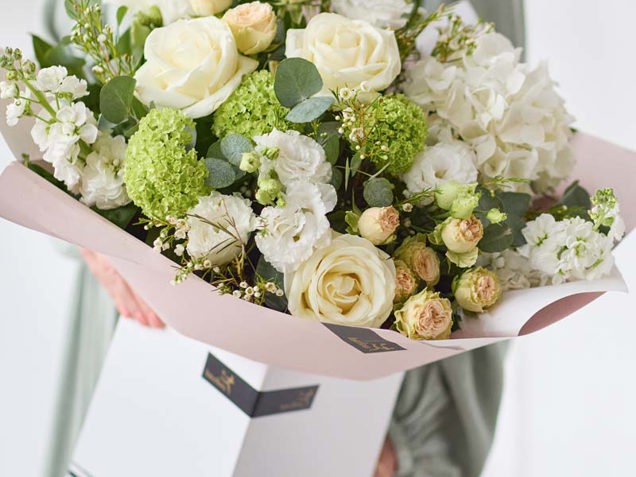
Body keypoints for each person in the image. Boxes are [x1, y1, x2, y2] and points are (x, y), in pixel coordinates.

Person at [42, 1, 525, 476]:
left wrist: (399, 432)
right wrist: (91, 234)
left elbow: (491, 141)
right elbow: (65, 62)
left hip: (365, 400)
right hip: (142, 309)